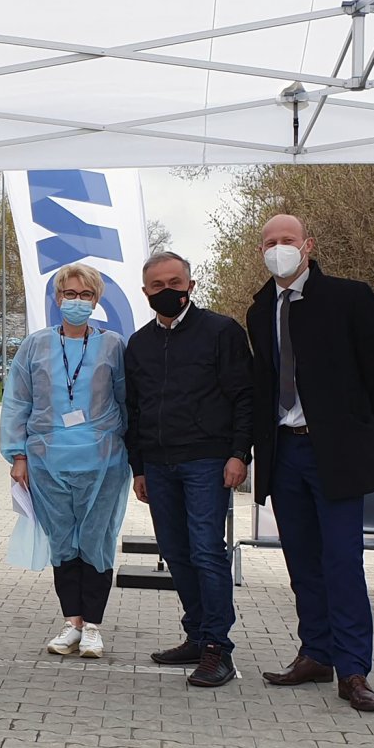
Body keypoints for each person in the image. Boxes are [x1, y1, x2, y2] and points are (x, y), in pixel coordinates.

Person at [247, 214, 374, 713]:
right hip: (284, 452)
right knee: (303, 563)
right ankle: (316, 652)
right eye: (270, 242)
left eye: (286, 240)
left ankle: (353, 669)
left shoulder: (350, 297)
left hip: (333, 453)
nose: (278, 249)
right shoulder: (259, 308)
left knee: (342, 562)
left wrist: (356, 431)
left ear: (307, 245)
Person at [124, 251, 253, 688]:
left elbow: (244, 397)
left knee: (205, 551)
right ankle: (196, 635)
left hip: (207, 461)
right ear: (145, 293)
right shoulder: (139, 345)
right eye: (157, 286)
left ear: (191, 285)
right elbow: (134, 411)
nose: (168, 291)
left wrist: (240, 454)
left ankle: (219, 648)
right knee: (176, 553)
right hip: (158, 466)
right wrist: (137, 467)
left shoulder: (221, 332)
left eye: (175, 283)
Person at [1, 263, 130, 658]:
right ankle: (72, 622)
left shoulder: (112, 345)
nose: (76, 302)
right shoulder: (35, 346)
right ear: (57, 299)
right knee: (63, 543)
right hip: (47, 461)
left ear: (97, 300)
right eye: (69, 295)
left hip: (103, 461)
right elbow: (17, 401)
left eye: (85, 295)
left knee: (97, 540)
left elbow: (126, 402)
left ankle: (93, 626)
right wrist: (18, 455)